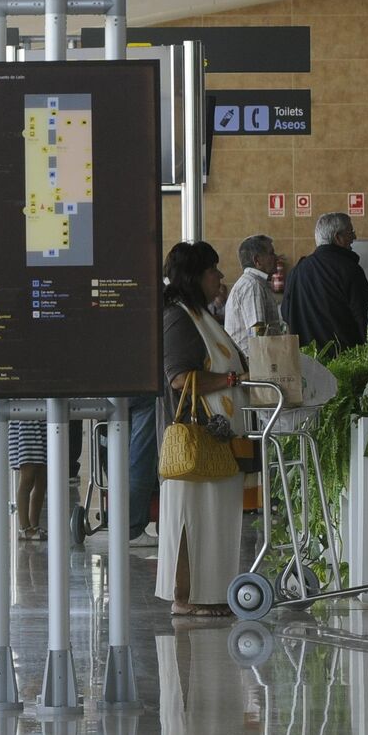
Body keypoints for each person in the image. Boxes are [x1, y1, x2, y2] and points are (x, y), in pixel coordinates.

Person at [157, 241, 245, 618]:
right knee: (190, 516)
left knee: (214, 516)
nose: (220, 278)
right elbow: (179, 378)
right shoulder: (179, 318)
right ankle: (187, 595)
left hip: (219, 435)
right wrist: (229, 378)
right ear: (195, 276)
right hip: (198, 434)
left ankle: (209, 593)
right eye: (213, 271)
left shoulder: (200, 315)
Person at [280, 213, 368, 355]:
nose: (354, 238)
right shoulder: (349, 269)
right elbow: (364, 318)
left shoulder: (297, 271)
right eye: (351, 232)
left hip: (306, 362)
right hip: (343, 364)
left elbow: (286, 313)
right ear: (338, 237)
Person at [223, 234, 283, 357]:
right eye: (271, 253)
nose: (276, 257)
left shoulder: (254, 283)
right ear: (257, 261)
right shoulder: (252, 286)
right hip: (253, 365)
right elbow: (258, 335)